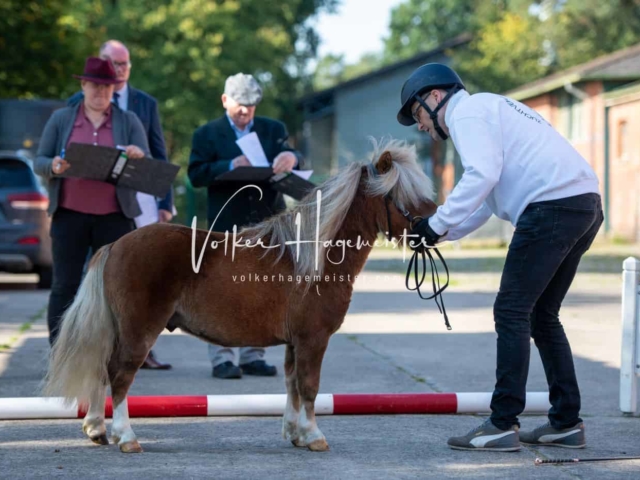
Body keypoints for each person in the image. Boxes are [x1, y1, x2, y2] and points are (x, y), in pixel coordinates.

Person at [397, 63, 603, 451]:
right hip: (583, 205)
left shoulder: (468, 114)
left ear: (435, 97)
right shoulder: (492, 109)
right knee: (542, 316)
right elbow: (487, 200)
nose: (421, 125)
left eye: (418, 113)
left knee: (510, 311)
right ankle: (565, 422)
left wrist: (436, 221)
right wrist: (440, 232)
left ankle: (502, 423)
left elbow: (481, 176)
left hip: (551, 209)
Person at [188, 73, 301, 379]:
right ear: (225, 100)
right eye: (240, 104)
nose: (245, 111)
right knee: (223, 291)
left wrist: (291, 156)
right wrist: (227, 166)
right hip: (227, 222)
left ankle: (254, 354)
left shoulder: (273, 129)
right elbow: (195, 175)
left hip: (268, 221)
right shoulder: (207, 134)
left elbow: (295, 159)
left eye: (251, 105)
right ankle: (222, 357)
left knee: (263, 288)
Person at [68, 40, 173, 369]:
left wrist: (165, 200)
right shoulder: (76, 102)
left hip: (136, 197)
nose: (121, 69)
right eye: (115, 63)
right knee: (92, 277)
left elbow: (158, 151)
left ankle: (141, 349)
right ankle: (88, 349)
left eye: (126, 64)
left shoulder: (145, 103)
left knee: (139, 275)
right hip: (85, 202)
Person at [35, 57, 151, 346]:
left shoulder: (129, 121)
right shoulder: (62, 119)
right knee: (64, 285)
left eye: (107, 88)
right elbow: (40, 160)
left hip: (115, 217)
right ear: (83, 85)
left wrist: (138, 156)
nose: (101, 93)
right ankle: (60, 351)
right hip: (69, 215)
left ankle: (110, 353)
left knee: (115, 288)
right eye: (95, 86)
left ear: (114, 89)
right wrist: (55, 166)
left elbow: (149, 168)